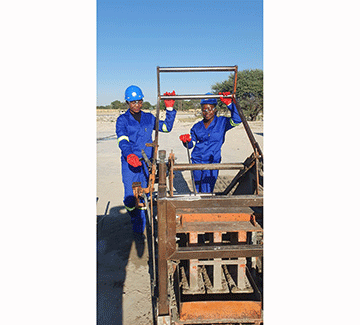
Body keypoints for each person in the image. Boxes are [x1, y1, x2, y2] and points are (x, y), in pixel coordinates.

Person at [116, 85, 176, 237]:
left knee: (145, 194)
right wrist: (129, 154)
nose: (137, 105)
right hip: (130, 164)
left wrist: (169, 110)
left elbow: (166, 127)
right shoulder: (122, 120)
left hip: (145, 163)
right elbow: (122, 139)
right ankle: (134, 218)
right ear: (128, 103)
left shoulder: (149, 118)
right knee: (130, 198)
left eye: (139, 101)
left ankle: (141, 227)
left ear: (142, 101)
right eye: (133, 102)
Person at [179, 92, 242, 193]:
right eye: (204, 110)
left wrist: (230, 104)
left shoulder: (223, 122)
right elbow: (191, 145)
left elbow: (238, 120)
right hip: (197, 161)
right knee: (197, 189)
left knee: (207, 190)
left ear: (215, 109)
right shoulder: (197, 126)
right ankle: (198, 207)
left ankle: (204, 208)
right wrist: (186, 141)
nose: (207, 112)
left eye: (210, 109)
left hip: (212, 161)